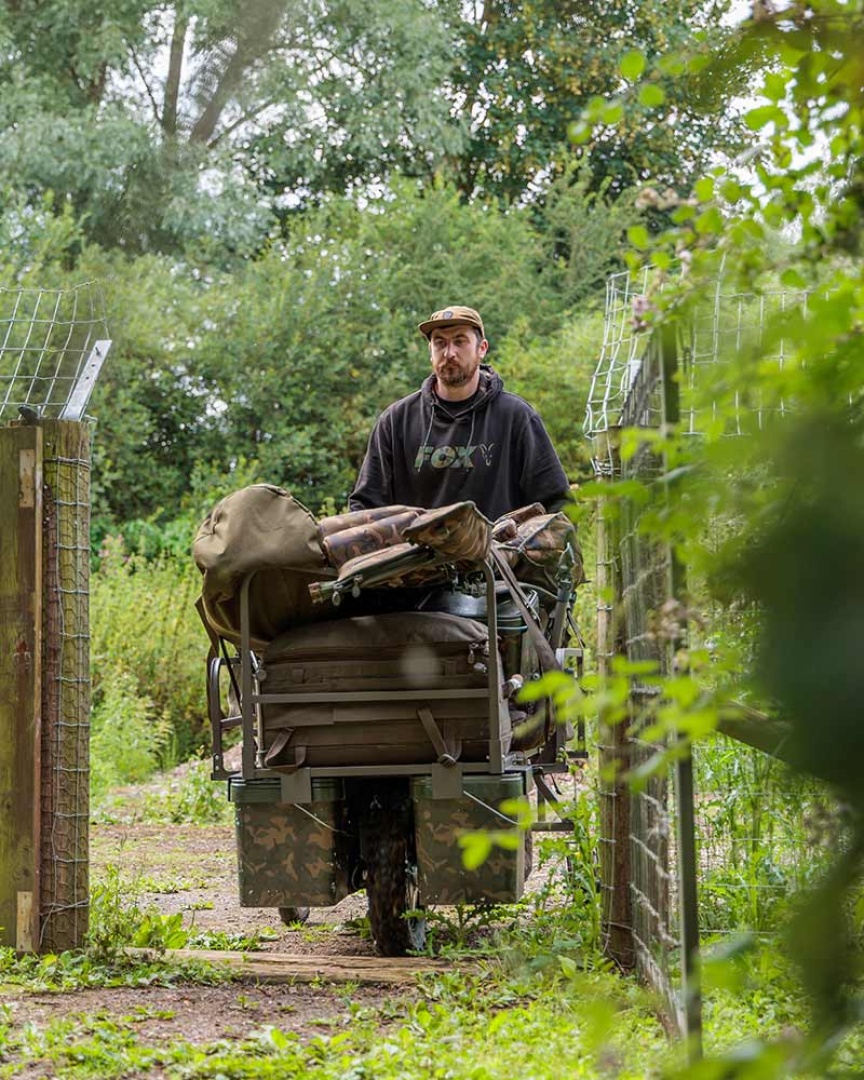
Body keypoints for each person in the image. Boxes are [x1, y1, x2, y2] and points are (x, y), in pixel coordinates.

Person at [349, 305, 570, 521]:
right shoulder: (397, 421)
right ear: (431, 352)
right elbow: (365, 507)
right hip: (415, 556)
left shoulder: (516, 417)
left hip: (494, 555)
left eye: (459, 341)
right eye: (440, 343)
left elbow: (556, 504)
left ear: (482, 348)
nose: (449, 352)